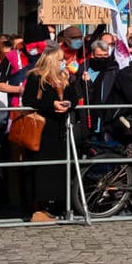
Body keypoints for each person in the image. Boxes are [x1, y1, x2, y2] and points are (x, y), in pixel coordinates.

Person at [20, 46, 79, 223]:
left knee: (58, 168)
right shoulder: (36, 77)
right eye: (61, 59)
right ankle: (38, 207)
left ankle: (56, 204)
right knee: (41, 168)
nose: (64, 62)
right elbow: (29, 100)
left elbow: (74, 97)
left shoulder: (65, 77)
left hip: (59, 129)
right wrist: (51, 104)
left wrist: (69, 103)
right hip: (42, 127)